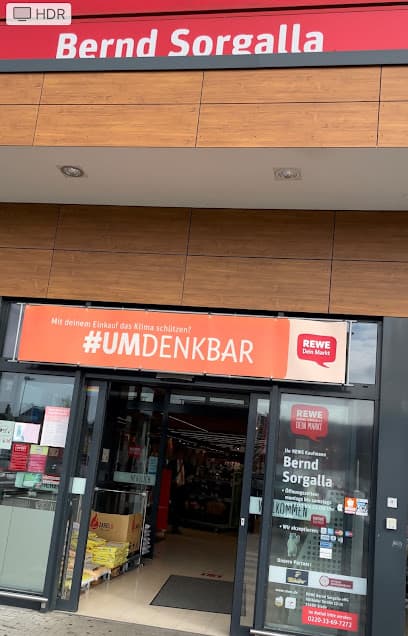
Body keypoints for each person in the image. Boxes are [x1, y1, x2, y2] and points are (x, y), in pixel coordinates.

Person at [168, 446, 186, 534]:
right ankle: (173, 526)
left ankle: (176, 526)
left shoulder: (185, 464)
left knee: (179, 508)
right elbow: (168, 473)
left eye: (182, 454)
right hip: (174, 487)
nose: (181, 455)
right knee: (173, 507)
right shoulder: (172, 463)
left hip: (182, 488)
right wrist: (172, 480)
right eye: (179, 454)